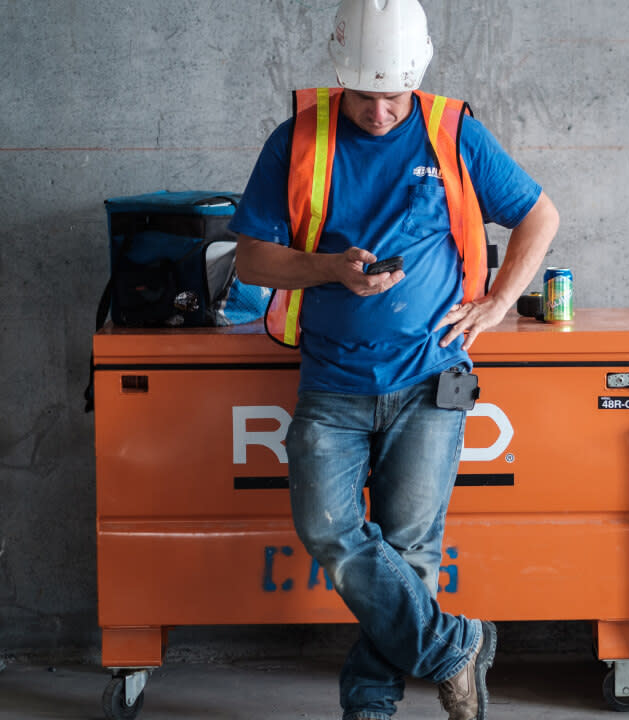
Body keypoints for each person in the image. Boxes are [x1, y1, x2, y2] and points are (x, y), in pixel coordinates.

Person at [230, 1, 558, 718]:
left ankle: (369, 707)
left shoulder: (452, 133)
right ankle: (455, 646)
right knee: (328, 530)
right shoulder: (298, 140)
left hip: (430, 380)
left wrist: (498, 303)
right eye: (365, 95)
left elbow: (539, 214)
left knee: (409, 552)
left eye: (395, 96)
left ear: (417, 78)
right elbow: (251, 258)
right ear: (340, 74)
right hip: (333, 381)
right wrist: (329, 270)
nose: (380, 112)